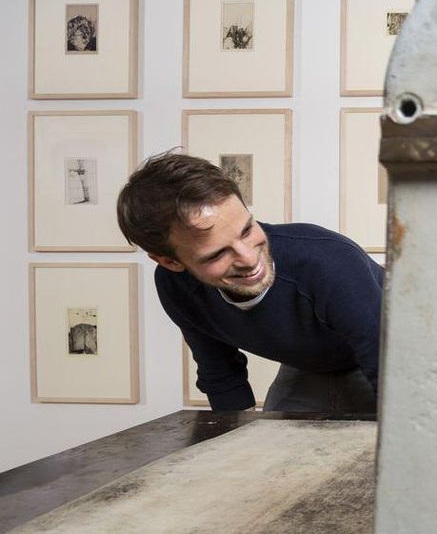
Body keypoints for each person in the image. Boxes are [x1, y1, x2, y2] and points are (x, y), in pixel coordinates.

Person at [116, 151, 383, 412]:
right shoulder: (176, 285)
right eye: (218, 253)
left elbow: (388, 370)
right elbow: (219, 372)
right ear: (170, 262)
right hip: (310, 365)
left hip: (392, 360)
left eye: (247, 230)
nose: (249, 258)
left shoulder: (328, 260)